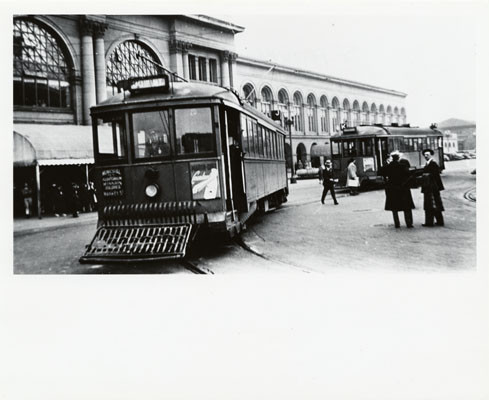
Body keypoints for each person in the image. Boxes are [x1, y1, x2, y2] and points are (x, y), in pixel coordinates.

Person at [380, 151, 415, 228]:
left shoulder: (388, 166)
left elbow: (380, 172)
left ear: (392, 158)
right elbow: (410, 175)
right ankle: (409, 223)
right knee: (406, 207)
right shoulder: (402, 166)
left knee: (394, 208)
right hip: (403, 189)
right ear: (398, 158)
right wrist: (404, 184)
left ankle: (397, 224)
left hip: (392, 189)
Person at [420, 149, 445, 227]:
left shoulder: (433, 164)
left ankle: (429, 222)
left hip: (431, 187)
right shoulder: (429, 164)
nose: (426, 156)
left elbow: (434, 176)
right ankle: (439, 221)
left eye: (427, 154)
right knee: (436, 203)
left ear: (431, 155)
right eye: (425, 155)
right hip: (433, 187)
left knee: (429, 204)